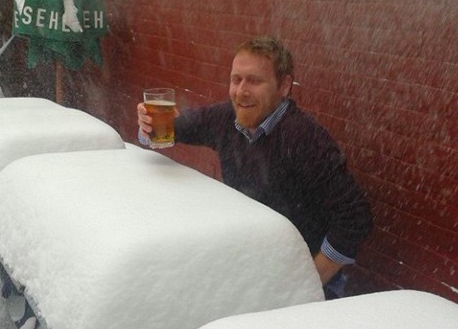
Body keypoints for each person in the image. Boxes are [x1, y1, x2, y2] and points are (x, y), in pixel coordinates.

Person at [137, 36, 372, 296]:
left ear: (284, 86)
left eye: (254, 81)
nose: (241, 91)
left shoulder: (303, 138)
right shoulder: (226, 119)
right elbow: (172, 130)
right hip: (252, 264)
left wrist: (312, 278)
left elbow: (355, 215)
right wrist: (148, 125)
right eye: (236, 79)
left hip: (293, 280)